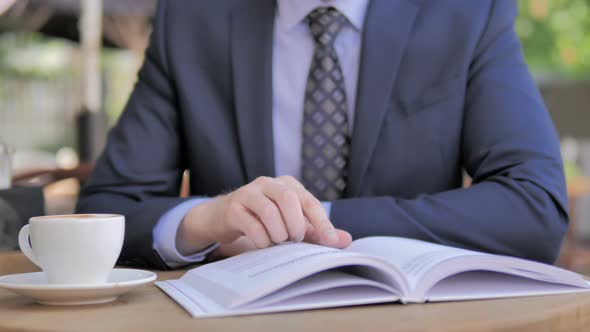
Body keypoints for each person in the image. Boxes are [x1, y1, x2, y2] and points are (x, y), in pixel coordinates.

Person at [77, 0, 568, 270]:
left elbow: (534, 206)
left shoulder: (465, 13)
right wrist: (208, 221)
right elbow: (106, 211)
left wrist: (313, 222)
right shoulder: (192, 18)